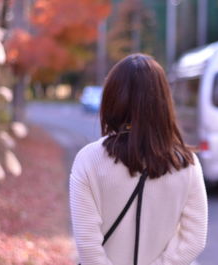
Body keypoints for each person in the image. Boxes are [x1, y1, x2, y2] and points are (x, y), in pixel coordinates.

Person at [69, 53, 208, 265]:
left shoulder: (89, 160)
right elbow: (194, 240)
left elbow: (88, 247)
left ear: (112, 98)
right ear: (163, 101)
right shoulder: (186, 163)